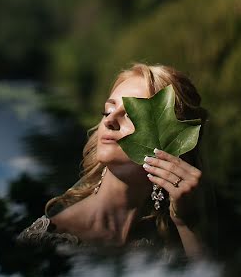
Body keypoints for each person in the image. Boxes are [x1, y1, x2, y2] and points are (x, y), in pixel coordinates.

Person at [18, 63, 209, 257]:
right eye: (107, 111)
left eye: (132, 115)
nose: (109, 120)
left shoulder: (176, 238)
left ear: (174, 142)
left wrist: (186, 224)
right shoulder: (49, 239)